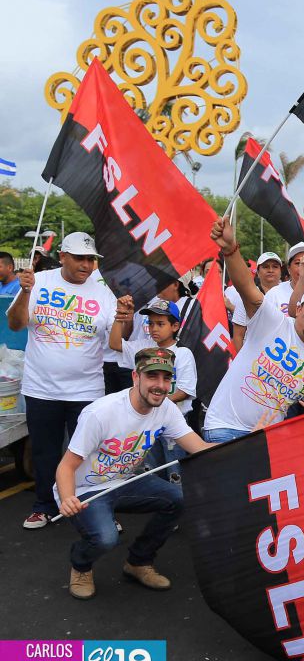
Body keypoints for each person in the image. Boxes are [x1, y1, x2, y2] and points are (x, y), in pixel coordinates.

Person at [55, 348, 215, 599]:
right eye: (152, 377)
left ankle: (139, 561)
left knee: (179, 499)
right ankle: (81, 565)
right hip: (86, 489)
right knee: (106, 538)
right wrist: (67, 499)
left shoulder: (167, 409)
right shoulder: (101, 413)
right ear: (135, 377)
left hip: (126, 481)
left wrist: (254, 437)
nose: (160, 385)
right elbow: (66, 466)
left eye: (166, 378)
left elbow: (200, 448)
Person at [7, 232, 121, 530]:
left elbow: (116, 341)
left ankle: (97, 509)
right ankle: (44, 506)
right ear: (62, 256)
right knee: (45, 452)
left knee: (90, 453)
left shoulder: (103, 292)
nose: (87, 264)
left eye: (91, 259)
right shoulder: (39, 281)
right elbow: (16, 323)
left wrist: (126, 317)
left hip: (87, 390)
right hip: (41, 389)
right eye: (80, 258)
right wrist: (24, 292)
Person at [204, 219, 304, 442]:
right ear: (299, 308)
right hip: (225, 429)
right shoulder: (273, 322)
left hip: (269, 442)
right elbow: (246, 286)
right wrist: (229, 248)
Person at [109, 298, 197, 478]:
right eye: (150, 323)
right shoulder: (143, 346)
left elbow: (185, 391)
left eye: (160, 324)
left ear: (175, 326)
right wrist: (119, 317)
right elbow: (115, 344)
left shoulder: (182, 353)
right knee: (149, 472)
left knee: (176, 473)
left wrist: (155, 402)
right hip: (146, 423)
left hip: (174, 422)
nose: (153, 328)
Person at [228, 251, 283, 352]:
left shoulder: (289, 295)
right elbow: (238, 335)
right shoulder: (247, 296)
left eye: (275, 266)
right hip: (254, 357)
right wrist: (242, 362)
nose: (270, 270)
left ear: (281, 271)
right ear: (257, 272)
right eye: (265, 267)